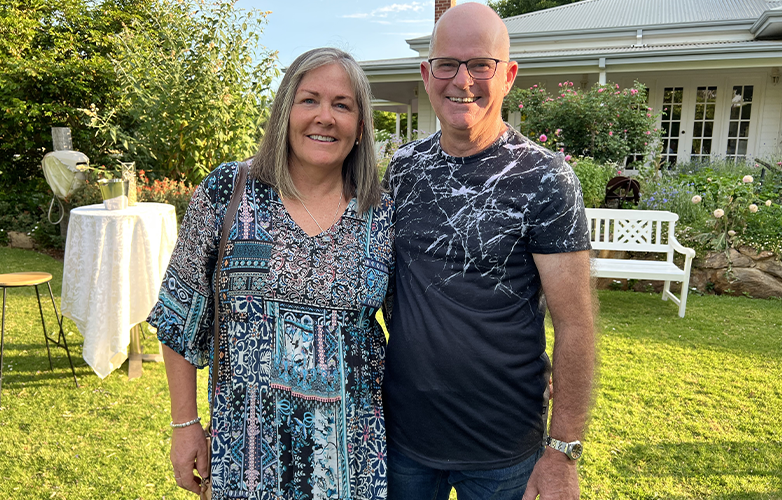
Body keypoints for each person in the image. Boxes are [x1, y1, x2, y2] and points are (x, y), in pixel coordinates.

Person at [148, 47, 394, 499]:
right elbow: (177, 316)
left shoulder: (381, 212)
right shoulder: (228, 191)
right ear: (284, 112)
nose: (325, 117)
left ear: (360, 128)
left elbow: (416, 326)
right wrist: (185, 425)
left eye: (342, 105)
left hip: (352, 462)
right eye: (309, 100)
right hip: (243, 458)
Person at [382, 3, 595, 500]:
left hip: (503, 450)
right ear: (426, 72)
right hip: (404, 440)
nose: (463, 80)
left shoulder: (545, 178)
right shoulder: (404, 169)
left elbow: (576, 322)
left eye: (480, 64)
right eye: (447, 64)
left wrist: (562, 451)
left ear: (509, 75)